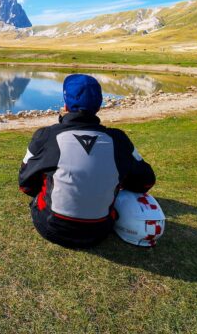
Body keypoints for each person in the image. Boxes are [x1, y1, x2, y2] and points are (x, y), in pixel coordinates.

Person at [18, 73, 156, 249]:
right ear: (99, 105)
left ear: (66, 103)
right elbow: (145, 182)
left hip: (51, 227)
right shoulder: (118, 140)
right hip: (100, 231)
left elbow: (25, 185)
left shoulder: (46, 135)